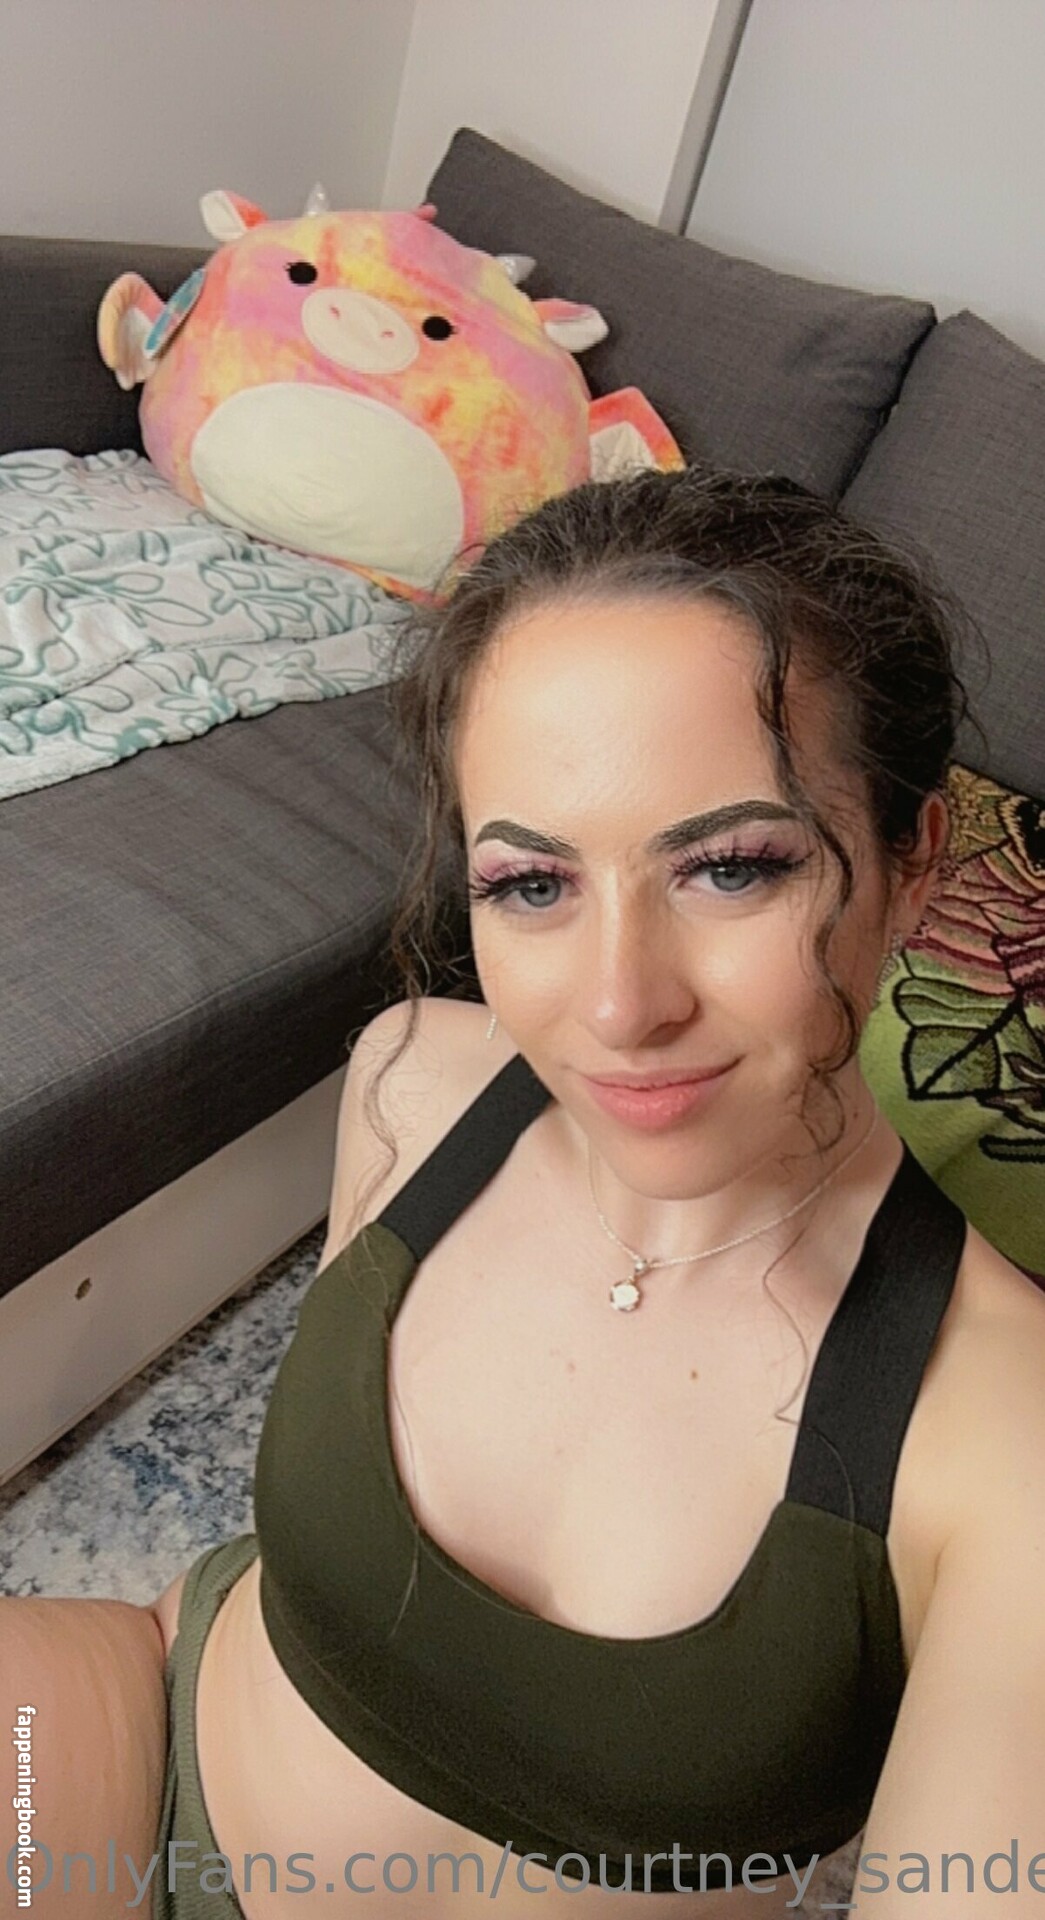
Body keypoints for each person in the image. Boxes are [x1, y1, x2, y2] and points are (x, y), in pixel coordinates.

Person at [4, 466, 1044, 1920]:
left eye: (730, 869)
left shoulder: (1002, 1442)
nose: (616, 1007)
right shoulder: (416, 1082)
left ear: (910, 865)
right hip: (145, 1737)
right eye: (534, 886)